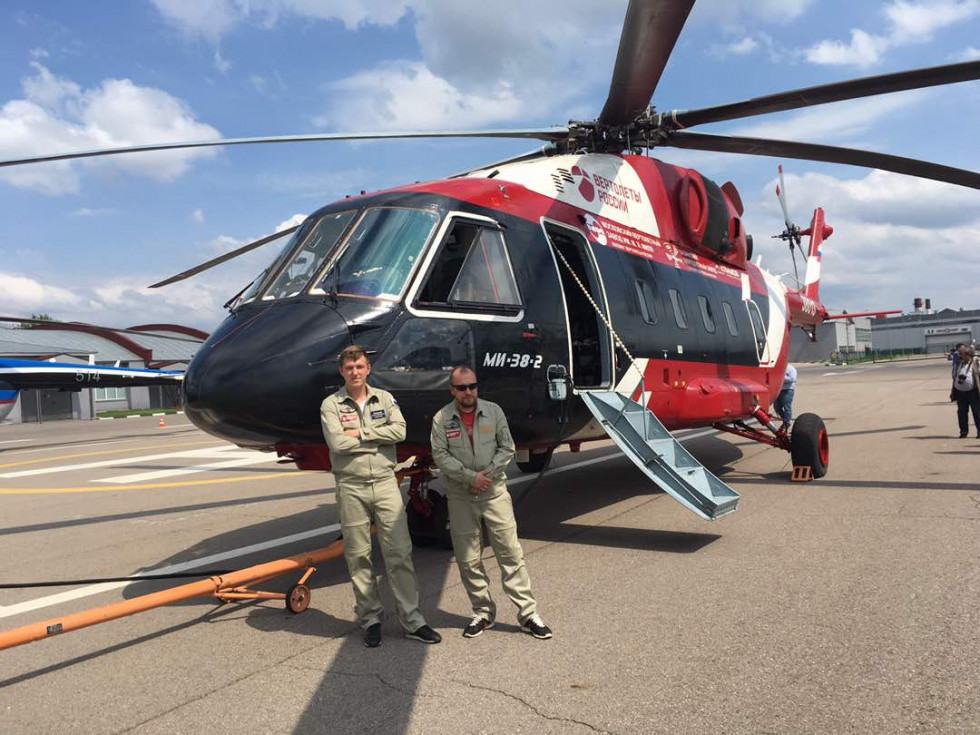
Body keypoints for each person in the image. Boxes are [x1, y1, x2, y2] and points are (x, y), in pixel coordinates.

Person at [321, 345, 441, 648]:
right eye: (349, 368)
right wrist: (377, 434)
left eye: (359, 366)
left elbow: (399, 431)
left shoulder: (384, 398)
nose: (355, 372)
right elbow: (337, 443)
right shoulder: (331, 405)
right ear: (342, 372)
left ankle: (413, 620)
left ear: (368, 368)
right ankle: (370, 619)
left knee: (399, 552)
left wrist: (360, 435)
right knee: (358, 556)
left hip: (386, 483)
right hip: (351, 486)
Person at [430, 366, 552, 640]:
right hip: (462, 496)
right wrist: (470, 477)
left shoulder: (493, 412)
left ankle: (527, 614)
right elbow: (440, 455)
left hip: (494, 493)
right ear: (452, 390)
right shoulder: (442, 419)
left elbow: (507, 447)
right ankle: (483, 612)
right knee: (468, 558)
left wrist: (488, 475)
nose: (468, 392)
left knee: (510, 552)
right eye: (461, 388)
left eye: (472, 386)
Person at [951, 343, 980, 438]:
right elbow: (955, 376)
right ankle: (963, 432)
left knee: (977, 412)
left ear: (968, 354)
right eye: (960, 353)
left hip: (973, 392)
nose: (960, 355)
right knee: (961, 413)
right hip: (960, 393)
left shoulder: (976, 363)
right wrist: (953, 391)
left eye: (962, 354)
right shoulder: (959, 363)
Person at [774, 363, 797, 429]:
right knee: (777, 407)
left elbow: (792, 379)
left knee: (786, 407)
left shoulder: (791, 369)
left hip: (787, 390)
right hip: (778, 390)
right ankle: (785, 420)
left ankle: (787, 422)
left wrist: (781, 378)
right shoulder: (777, 368)